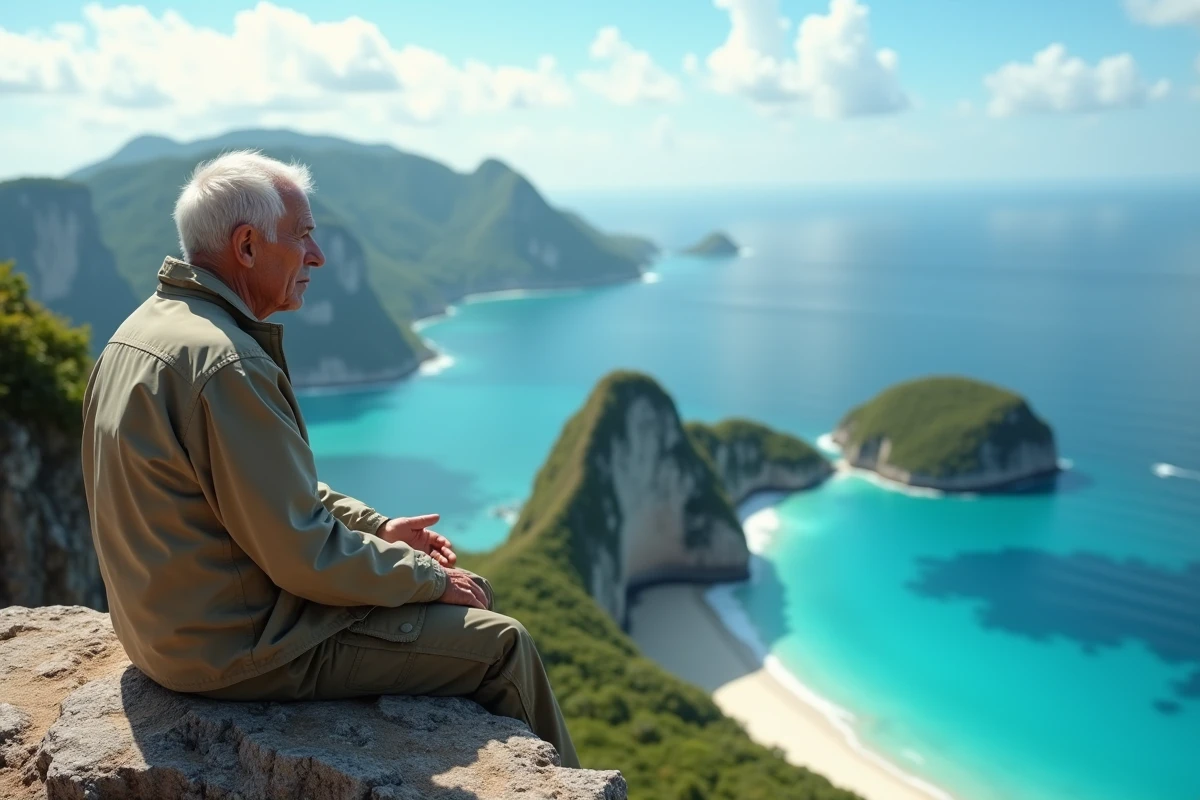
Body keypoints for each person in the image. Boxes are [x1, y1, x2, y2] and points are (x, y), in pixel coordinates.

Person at [80, 150, 577, 767]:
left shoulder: (136, 336)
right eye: (304, 237)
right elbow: (301, 555)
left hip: (161, 635)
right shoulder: (228, 363)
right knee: (502, 643)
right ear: (247, 246)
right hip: (231, 648)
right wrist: (427, 580)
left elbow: (266, 490)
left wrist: (378, 530)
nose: (317, 256)